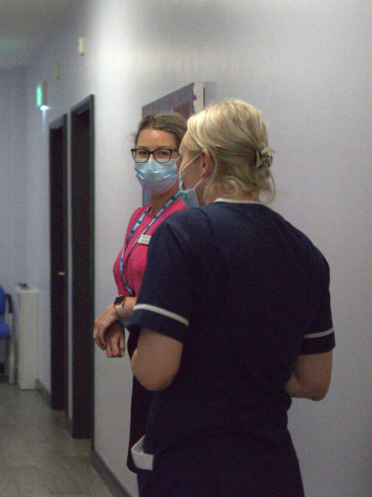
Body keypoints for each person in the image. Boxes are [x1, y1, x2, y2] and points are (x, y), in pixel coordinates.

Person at [128, 100, 334, 496]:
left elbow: (155, 371)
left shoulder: (183, 233)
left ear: (204, 163)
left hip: (194, 466)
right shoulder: (305, 252)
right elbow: (314, 381)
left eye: (182, 157)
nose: (179, 171)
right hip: (272, 468)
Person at [92, 112, 187, 486]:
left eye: (164, 153)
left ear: (186, 157)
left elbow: (176, 298)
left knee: (166, 466)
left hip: (176, 354)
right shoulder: (140, 216)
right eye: (142, 153)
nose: (151, 163)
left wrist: (118, 309)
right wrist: (122, 314)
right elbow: (133, 285)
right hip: (142, 347)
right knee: (144, 461)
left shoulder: (189, 215)